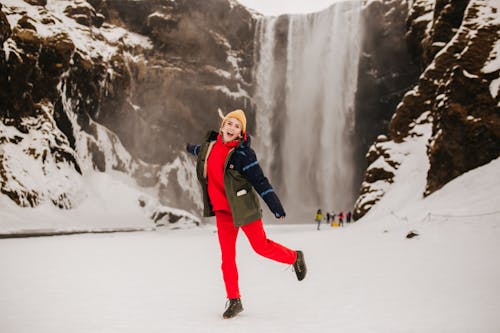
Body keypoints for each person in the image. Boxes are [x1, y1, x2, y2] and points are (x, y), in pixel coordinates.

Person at [186, 109, 307, 319]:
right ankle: (234, 300)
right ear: (222, 126)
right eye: (229, 123)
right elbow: (198, 151)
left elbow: (260, 182)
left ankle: (294, 257)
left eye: (237, 125)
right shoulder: (209, 147)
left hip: (245, 209)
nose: (231, 127)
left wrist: (276, 207)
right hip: (224, 213)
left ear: (241, 131)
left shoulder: (244, 155)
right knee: (227, 258)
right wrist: (184, 147)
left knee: (261, 247)